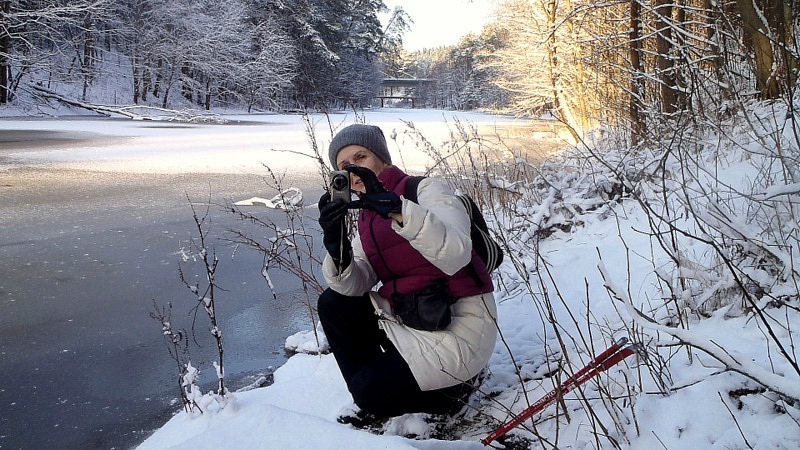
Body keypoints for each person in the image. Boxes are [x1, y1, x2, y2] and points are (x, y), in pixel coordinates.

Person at [316, 123, 498, 425]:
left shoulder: (424, 189)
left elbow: (456, 252)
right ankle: (384, 385)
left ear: (381, 158)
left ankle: (452, 395)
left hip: (461, 322)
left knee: (371, 391)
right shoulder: (366, 215)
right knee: (334, 303)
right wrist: (337, 245)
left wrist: (400, 210)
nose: (353, 170)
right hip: (416, 316)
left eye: (360, 157)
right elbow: (353, 285)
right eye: (344, 166)